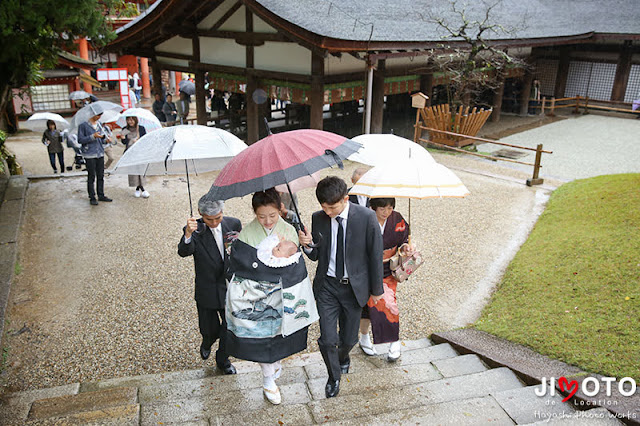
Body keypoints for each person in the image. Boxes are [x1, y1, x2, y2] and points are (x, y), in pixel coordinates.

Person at [226, 189, 317, 405]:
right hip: (256, 295)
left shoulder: (291, 230)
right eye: (261, 216)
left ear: (280, 210)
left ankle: (273, 364)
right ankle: (268, 379)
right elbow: (240, 267)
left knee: (277, 335)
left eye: (272, 215)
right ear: (254, 213)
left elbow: (303, 259)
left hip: (283, 295)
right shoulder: (247, 234)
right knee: (260, 336)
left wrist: (307, 244)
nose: (267, 221)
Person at [299, 176, 383, 398]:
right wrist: (307, 245)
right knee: (327, 339)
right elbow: (317, 254)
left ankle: (344, 356)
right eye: (324, 208)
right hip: (327, 286)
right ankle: (333, 377)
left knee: (348, 339)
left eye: (332, 207)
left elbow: (375, 254)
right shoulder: (318, 218)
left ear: (346, 198)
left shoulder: (366, 217)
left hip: (354, 288)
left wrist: (376, 291)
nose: (328, 212)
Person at [178, 197, 241, 375]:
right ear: (200, 214)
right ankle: (207, 340)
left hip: (229, 285)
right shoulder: (194, 229)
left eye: (218, 218)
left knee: (231, 327)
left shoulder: (234, 224)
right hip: (207, 286)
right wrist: (188, 235)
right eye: (209, 219)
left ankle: (223, 360)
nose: (214, 223)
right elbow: (184, 252)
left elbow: (240, 250)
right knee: (209, 327)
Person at [358, 198, 414, 361]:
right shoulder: (364, 219)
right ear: (373, 208)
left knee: (388, 303)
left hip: (386, 270)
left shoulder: (397, 219)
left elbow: (404, 238)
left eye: (390, 208)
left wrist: (405, 246)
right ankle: (364, 337)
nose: (386, 212)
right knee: (365, 307)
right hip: (365, 269)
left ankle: (394, 341)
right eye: (382, 208)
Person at [77, 104, 112, 205]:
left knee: (100, 175)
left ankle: (101, 194)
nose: (99, 117)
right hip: (89, 154)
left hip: (100, 153)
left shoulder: (100, 124)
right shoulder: (83, 125)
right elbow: (80, 140)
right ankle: (92, 196)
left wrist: (106, 140)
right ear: (92, 114)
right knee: (91, 176)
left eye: (100, 115)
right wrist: (92, 136)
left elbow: (101, 139)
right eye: (97, 115)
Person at [120, 116, 149, 198]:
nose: (130, 121)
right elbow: (124, 142)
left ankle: (139, 189)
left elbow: (145, 139)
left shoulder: (141, 128)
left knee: (141, 170)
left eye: (132, 119)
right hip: (130, 152)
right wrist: (122, 138)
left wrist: (138, 141)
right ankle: (140, 189)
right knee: (133, 170)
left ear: (136, 120)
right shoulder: (125, 129)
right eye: (129, 120)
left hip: (140, 152)